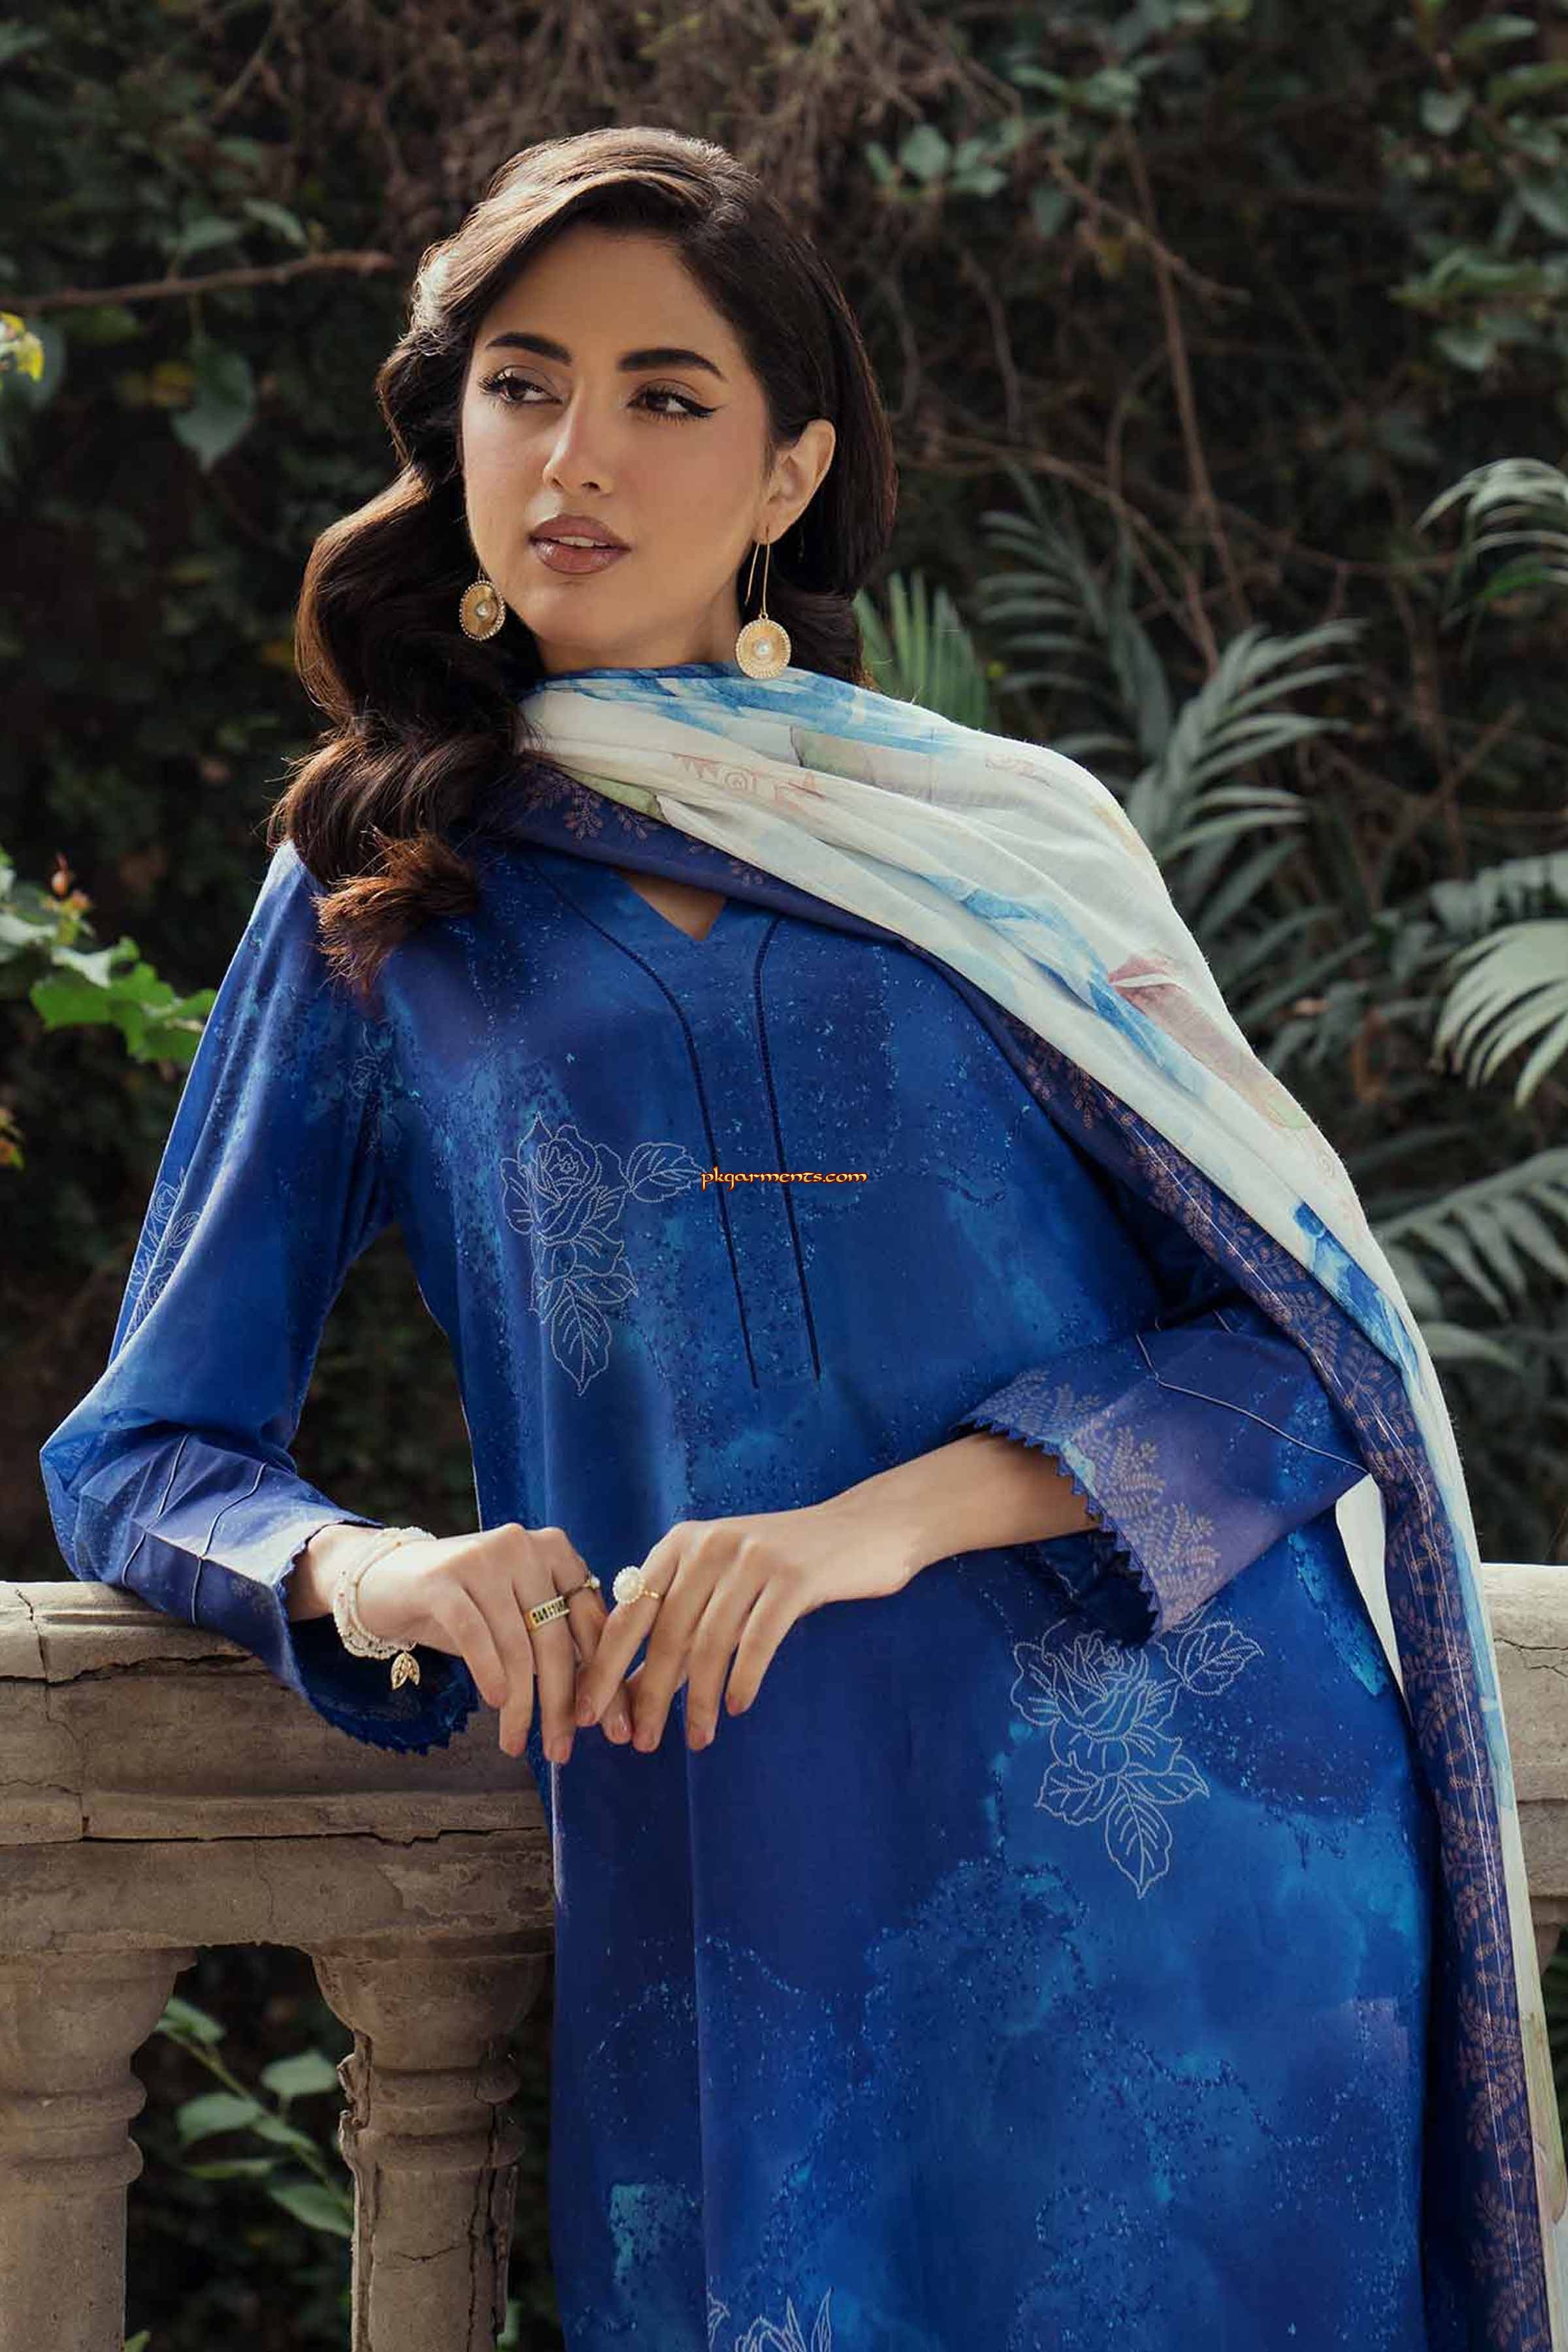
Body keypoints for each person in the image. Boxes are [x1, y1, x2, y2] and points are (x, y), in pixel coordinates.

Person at [39, 127, 1566, 2352]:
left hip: (1215, 1884)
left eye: (665, 396)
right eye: (521, 384)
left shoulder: (997, 846)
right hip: (755, 1902)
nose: (576, 454)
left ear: (789, 470)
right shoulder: (381, 895)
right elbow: (143, 1452)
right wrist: (374, 1571)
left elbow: (1308, 1355)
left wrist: (874, 1526)